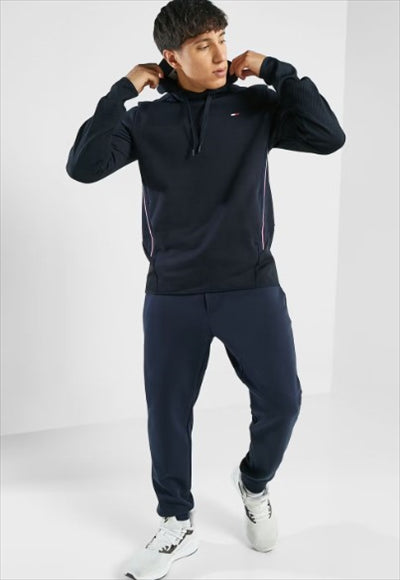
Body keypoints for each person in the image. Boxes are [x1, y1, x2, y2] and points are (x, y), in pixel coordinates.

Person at [66, 0, 346, 577]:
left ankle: (254, 482)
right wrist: (122, 89)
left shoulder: (256, 107)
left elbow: (329, 136)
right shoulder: (144, 121)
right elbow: (84, 166)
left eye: (223, 38)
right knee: (168, 412)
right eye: (203, 45)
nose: (221, 54)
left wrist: (274, 70)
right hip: (172, 293)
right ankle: (176, 520)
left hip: (251, 286)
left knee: (283, 401)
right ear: (170, 57)